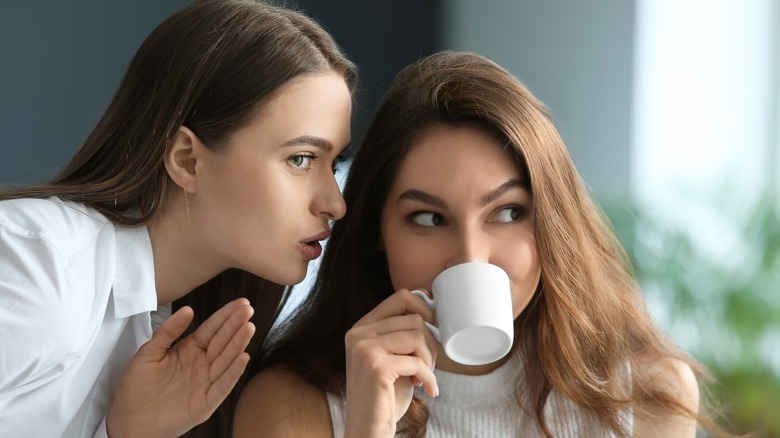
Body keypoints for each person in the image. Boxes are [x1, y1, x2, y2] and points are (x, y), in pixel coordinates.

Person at [233, 51, 733, 437]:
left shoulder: (644, 395)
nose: (471, 256)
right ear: (375, 235)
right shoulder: (290, 405)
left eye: (508, 213)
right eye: (428, 218)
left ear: (550, 225)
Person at [0, 0, 356, 436]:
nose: (335, 204)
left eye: (333, 164)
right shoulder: (39, 269)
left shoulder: (186, 337)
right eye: (301, 158)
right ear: (187, 159)